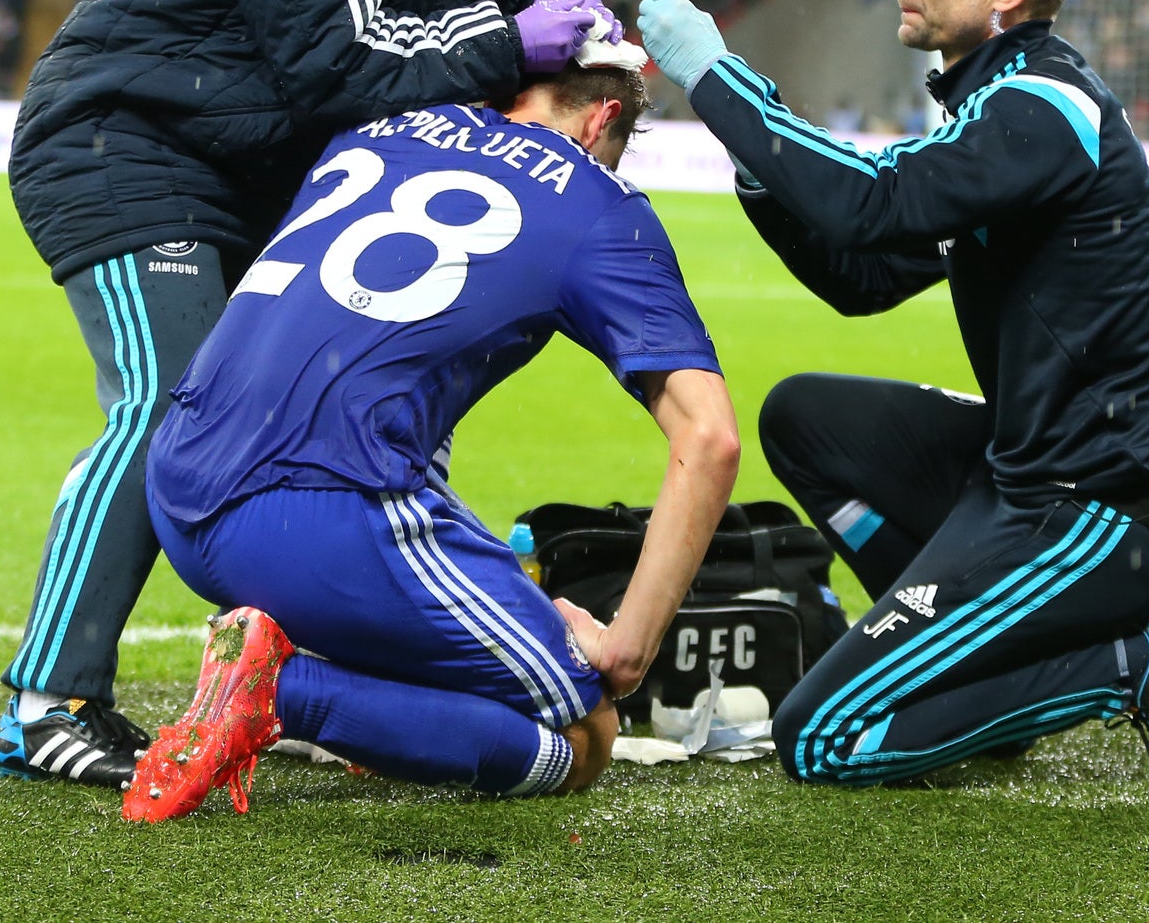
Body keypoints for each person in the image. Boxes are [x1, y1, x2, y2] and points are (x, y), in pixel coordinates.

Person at [0, 0, 626, 788]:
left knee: (324, 420)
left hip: (248, 171)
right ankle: (48, 704)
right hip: (128, 143)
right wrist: (502, 41)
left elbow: (436, 74)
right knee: (170, 406)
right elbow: (333, 64)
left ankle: (322, 680)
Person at [634, 0, 1149, 795]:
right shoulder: (997, 109)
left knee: (821, 738)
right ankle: (974, 676)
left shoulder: (1045, 106)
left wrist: (717, 76)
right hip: (1031, 469)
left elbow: (873, 204)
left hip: (1098, 500)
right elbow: (861, 278)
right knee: (803, 420)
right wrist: (759, 165)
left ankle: (1135, 661)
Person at [117, 55, 741, 820]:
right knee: (586, 733)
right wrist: (628, 646)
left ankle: (345, 689)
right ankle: (282, 692)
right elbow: (709, 439)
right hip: (313, 518)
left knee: (455, 597)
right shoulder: (596, 199)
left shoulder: (372, 132)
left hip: (181, 480)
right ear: (601, 118)